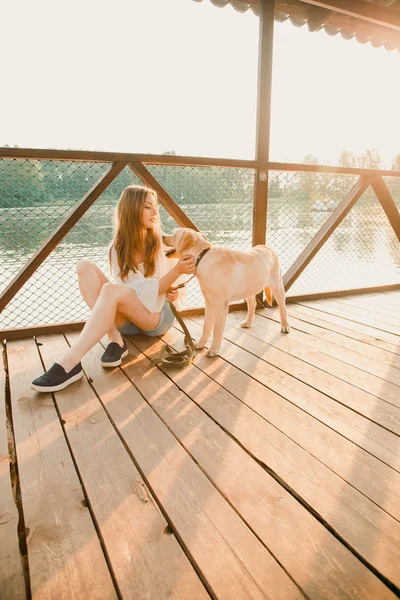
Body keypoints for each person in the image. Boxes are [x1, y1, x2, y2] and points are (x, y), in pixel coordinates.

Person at [31, 185, 195, 392]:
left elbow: (161, 291)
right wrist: (166, 280)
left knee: (110, 290)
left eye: (155, 207)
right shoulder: (117, 248)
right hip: (128, 320)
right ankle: (116, 339)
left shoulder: (165, 244)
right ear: (131, 210)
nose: (155, 213)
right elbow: (132, 290)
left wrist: (174, 288)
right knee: (84, 266)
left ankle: (69, 362)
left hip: (156, 318)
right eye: (148, 207)